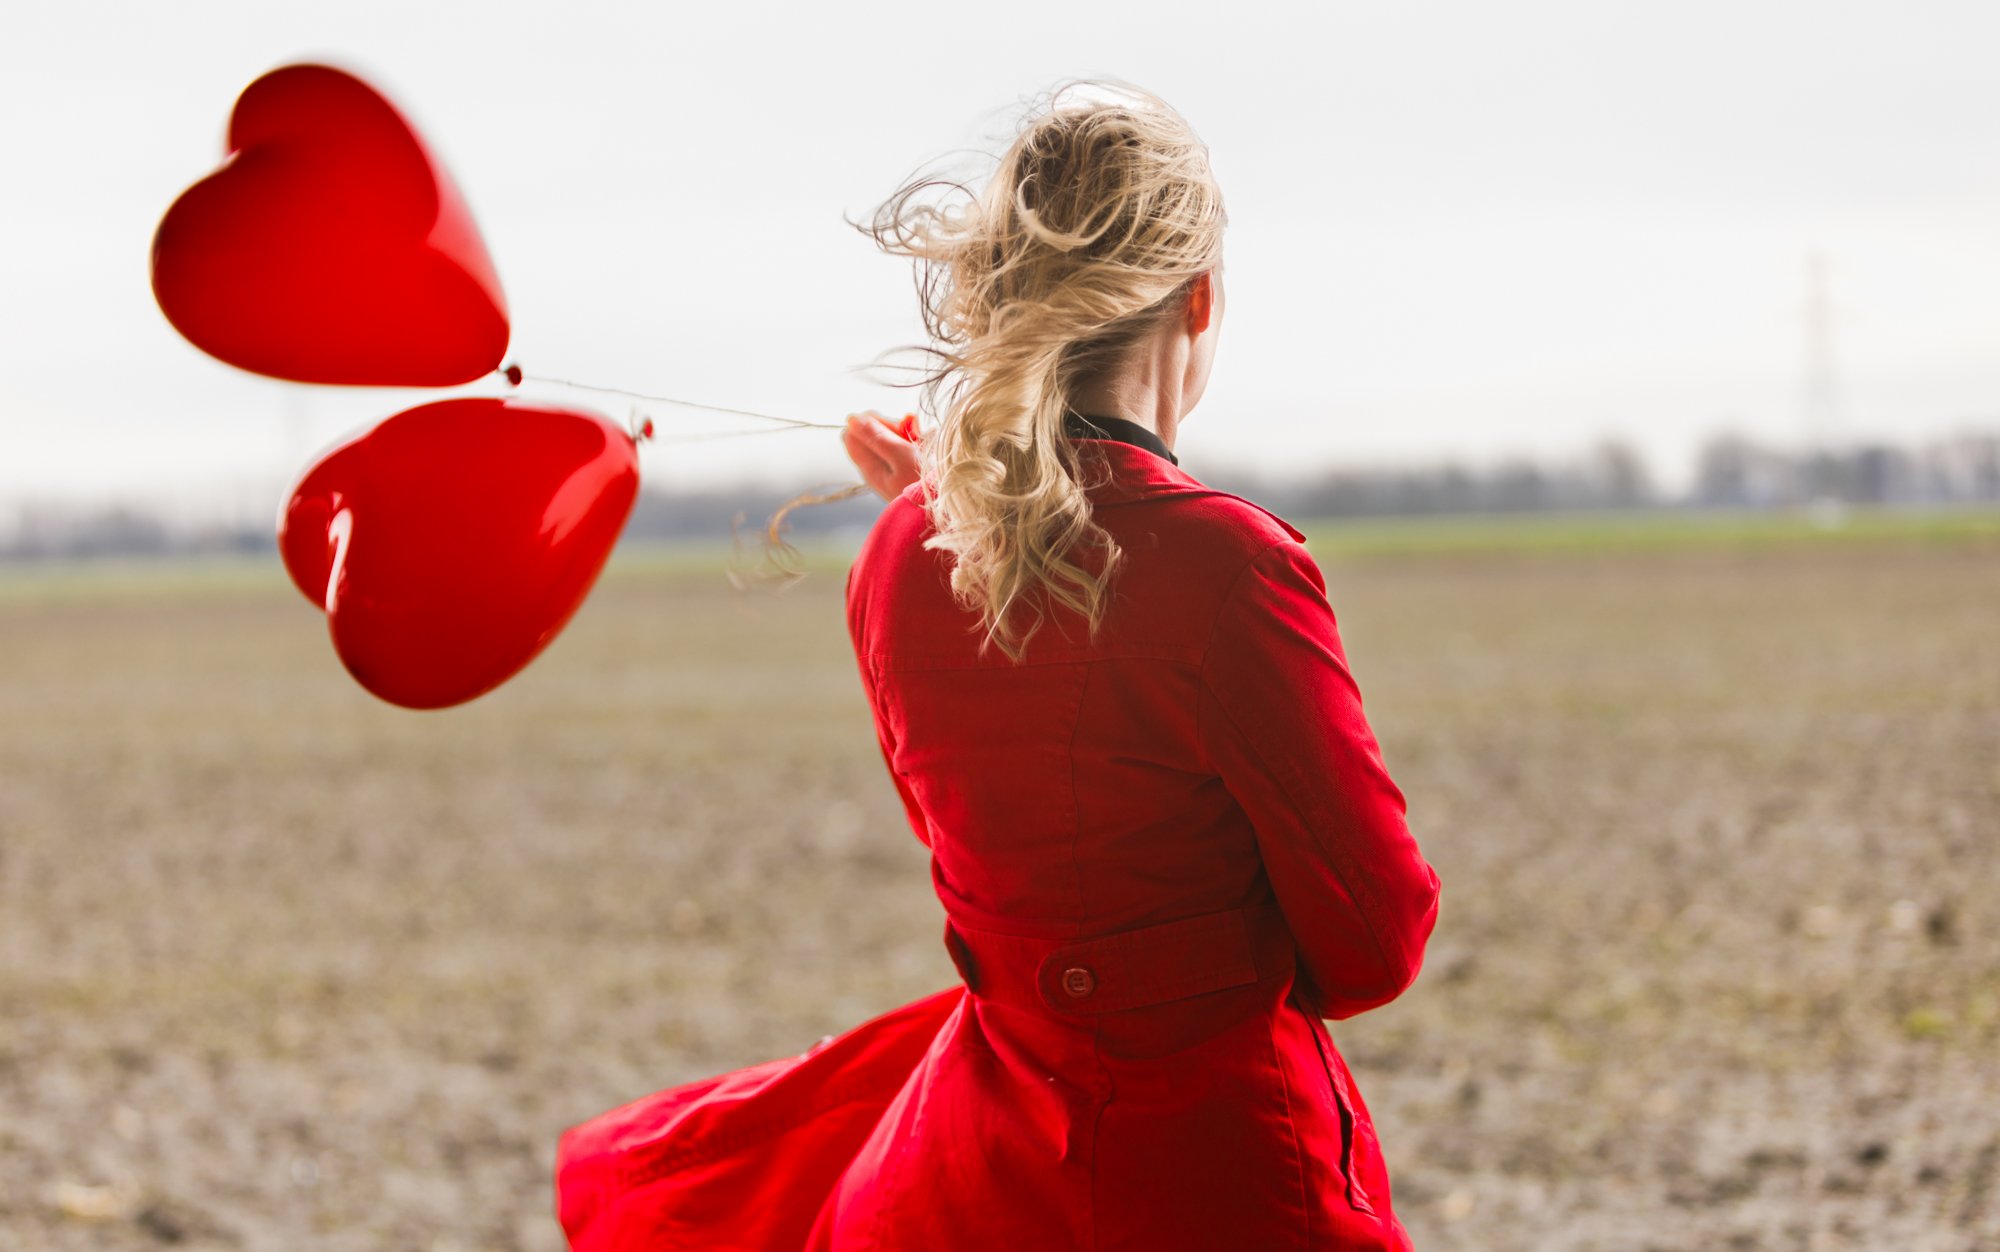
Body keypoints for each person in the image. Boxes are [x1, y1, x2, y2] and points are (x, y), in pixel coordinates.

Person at [555, 80, 1442, 1252]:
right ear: (1198, 297)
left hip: (965, 1180)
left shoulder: (895, 558)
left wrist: (927, 520)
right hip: (1221, 1179)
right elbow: (1376, 940)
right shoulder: (1232, 566)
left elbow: (1001, 864)